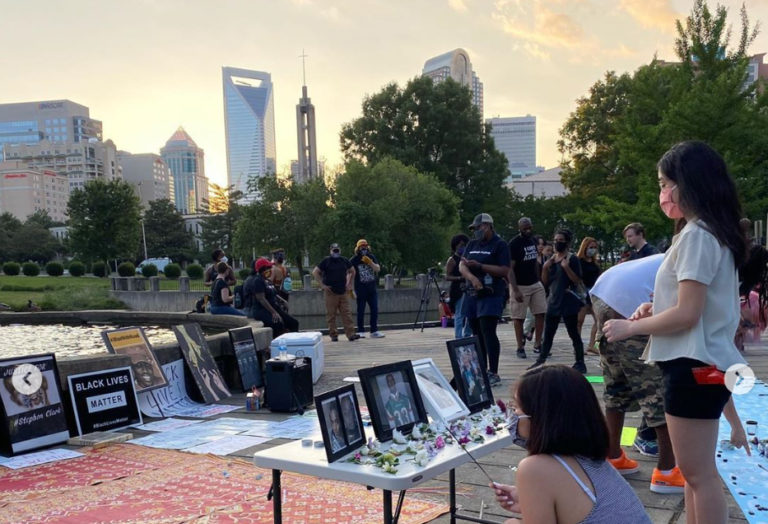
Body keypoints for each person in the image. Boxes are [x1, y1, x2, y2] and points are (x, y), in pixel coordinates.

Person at [603, 141, 753, 524]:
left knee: (700, 476)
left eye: (666, 182)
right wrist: (655, 308)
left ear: (688, 184)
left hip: (692, 367)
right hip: (705, 365)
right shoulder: (708, 233)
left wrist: (630, 326)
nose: (663, 192)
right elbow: (695, 305)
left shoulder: (699, 236)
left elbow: (687, 314)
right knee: (695, 475)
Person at [491, 365, 651, 524]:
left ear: (543, 417)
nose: (513, 415)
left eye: (517, 407)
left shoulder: (534, 468)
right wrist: (532, 501)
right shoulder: (589, 456)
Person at [590, 254, 683, 493]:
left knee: (616, 383)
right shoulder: (699, 256)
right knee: (654, 389)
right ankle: (667, 471)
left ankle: (613, 456)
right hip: (629, 300)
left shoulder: (674, 252)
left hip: (602, 291)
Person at [459, 213, 511, 386]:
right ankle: (479, 369)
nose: (476, 231)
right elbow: (462, 265)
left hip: (491, 293)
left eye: (479, 227)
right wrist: (472, 278)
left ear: (488, 226)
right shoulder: (472, 244)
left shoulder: (500, 244)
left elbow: (504, 270)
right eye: (474, 229)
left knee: (488, 331)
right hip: (473, 293)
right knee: (476, 333)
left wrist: (480, 267)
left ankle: (493, 371)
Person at [530, 228, 586, 373]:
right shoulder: (552, 259)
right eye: (555, 240)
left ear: (567, 242)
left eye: (560, 241)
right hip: (554, 300)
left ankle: (580, 361)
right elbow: (546, 283)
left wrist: (566, 268)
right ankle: (541, 360)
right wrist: (545, 268)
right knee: (548, 333)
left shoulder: (572, 259)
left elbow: (577, 280)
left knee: (573, 332)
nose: (557, 243)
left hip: (568, 301)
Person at [508, 218, 546, 359]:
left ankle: (537, 344)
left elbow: (534, 261)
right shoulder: (514, 244)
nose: (528, 230)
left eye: (529, 227)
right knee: (519, 317)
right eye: (525, 228)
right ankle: (520, 346)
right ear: (519, 228)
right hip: (520, 284)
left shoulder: (532, 241)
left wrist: (540, 279)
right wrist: (515, 289)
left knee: (541, 312)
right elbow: (509, 269)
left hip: (535, 283)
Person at [313, 243, 359, 342]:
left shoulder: (344, 260)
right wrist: (322, 285)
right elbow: (315, 272)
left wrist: (350, 283)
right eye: (334, 250)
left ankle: (351, 334)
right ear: (330, 251)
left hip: (343, 292)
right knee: (331, 314)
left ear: (340, 250)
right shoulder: (326, 261)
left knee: (347, 313)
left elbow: (353, 271)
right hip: (330, 292)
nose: (336, 252)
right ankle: (333, 334)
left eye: (337, 250)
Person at [244, 258, 299, 337]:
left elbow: (274, 293)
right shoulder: (258, 281)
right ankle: (275, 345)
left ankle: (293, 343)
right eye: (268, 268)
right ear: (263, 269)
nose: (270, 269)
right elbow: (261, 299)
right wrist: (274, 312)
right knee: (277, 324)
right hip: (262, 310)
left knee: (294, 323)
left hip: (275, 308)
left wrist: (283, 301)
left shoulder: (267, 281)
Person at [349, 239, 385, 338]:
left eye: (365, 246)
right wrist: (351, 289)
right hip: (360, 289)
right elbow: (349, 274)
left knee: (374, 309)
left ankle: (374, 331)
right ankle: (361, 331)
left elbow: (378, 268)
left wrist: (370, 263)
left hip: (372, 289)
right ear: (358, 248)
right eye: (362, 246)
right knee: (360, 310)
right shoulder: (354, 259)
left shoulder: (371, 257)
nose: (364, 248)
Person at [576, 237, 601, 354]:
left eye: (595, 248)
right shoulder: (578, 261)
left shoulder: (595, 263)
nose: (593, 250)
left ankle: (593, 344)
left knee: (599, 321)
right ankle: (577, 346)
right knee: (579, 321)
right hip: (582, 293)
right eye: (591, 247)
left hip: (594, 293)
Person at [445, 234, 472, 339]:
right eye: (460, 245)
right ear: (455, 246)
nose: (462, 247)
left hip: (469, 288)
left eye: (464, 245)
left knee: (470, 313)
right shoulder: (452, 260)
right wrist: (460, 278)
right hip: (458, 289)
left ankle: (467, 334)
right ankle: (458, 337)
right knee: (459, 314)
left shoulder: (468, 258)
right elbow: (447, 276)